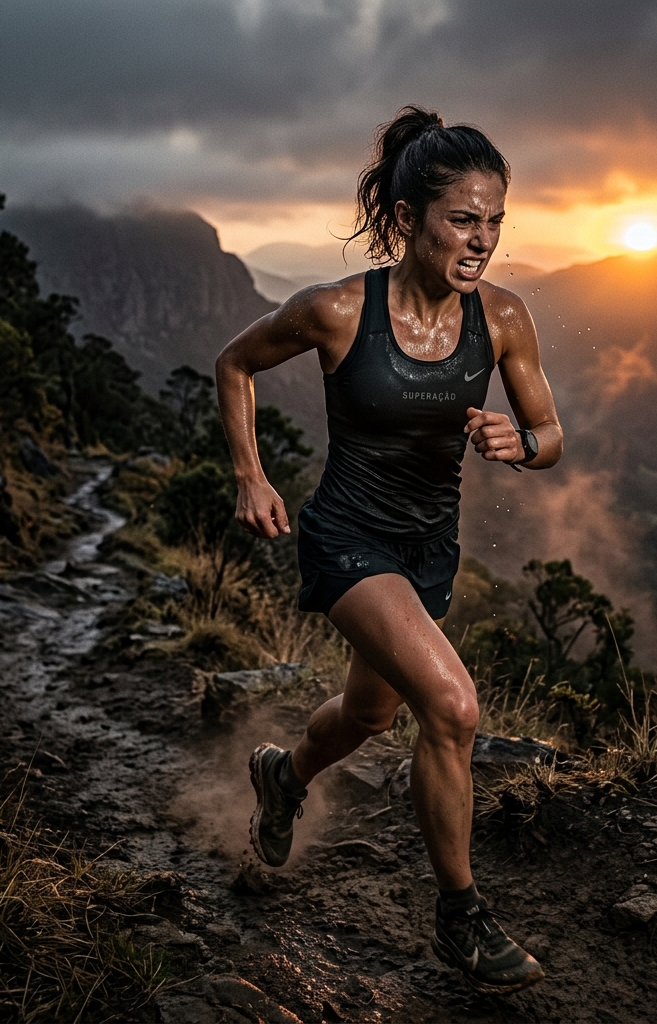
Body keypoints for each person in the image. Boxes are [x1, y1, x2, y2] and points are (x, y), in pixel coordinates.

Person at [215, 105, 563, 995]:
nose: (482, 239)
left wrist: (517, 446)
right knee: (451, 707)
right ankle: (462, 918)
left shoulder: (506, 319)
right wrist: (252, 477)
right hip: (345, 541)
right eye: (463, 219)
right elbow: (234, 364)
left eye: (494, 221)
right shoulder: (335, 312)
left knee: (368, 715)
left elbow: (551, 432)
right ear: (408, 221)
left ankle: (282, 774)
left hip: (425, 552)